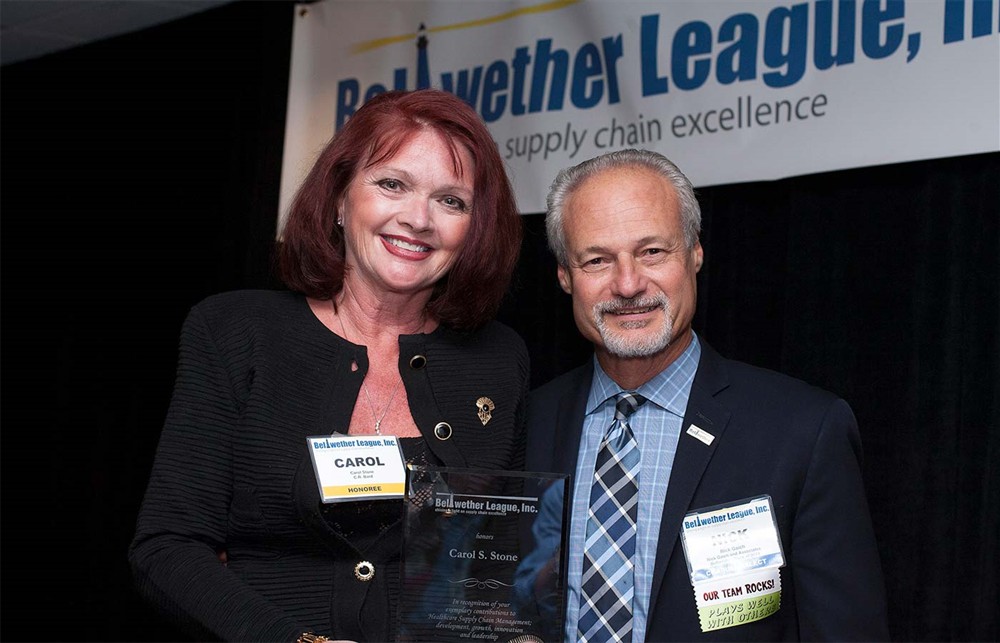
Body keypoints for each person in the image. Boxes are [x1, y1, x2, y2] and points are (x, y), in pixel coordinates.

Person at [128, 89, 529, 643]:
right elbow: (166, 549)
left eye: (451, 201)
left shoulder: (498, 360)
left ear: (474, 230)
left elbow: (496, 562)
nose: (418, 219)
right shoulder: (235, 333)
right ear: (340, 199)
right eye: (393, 184)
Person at [522, 148, 889, 641]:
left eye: (652, 251)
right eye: (597, 260)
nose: (628, 284)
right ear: (566, 276)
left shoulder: (802, 431)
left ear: (695, 252)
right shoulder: (529, 422)